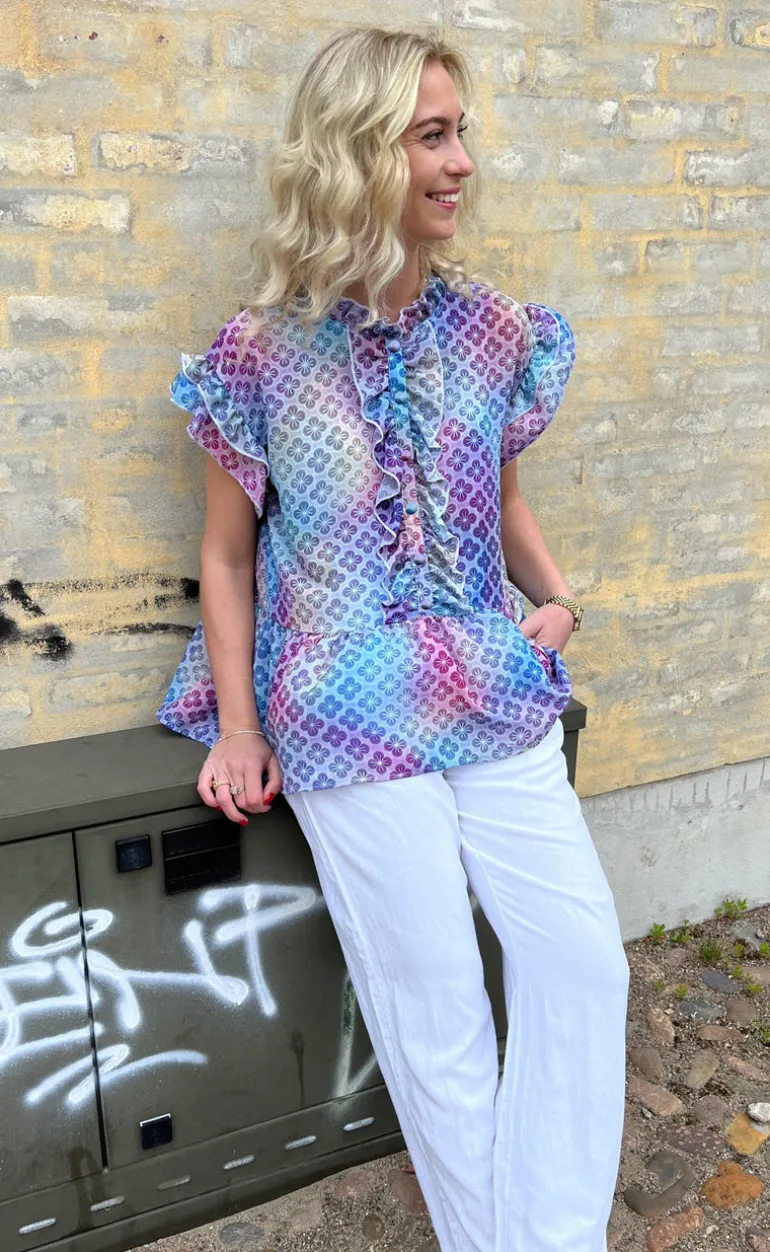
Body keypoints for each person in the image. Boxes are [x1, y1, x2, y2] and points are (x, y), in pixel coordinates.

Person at [156, 25, 629, 1252]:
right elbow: (225, 557)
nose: (461, 161)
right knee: (436, 1009)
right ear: (357, 154)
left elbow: (504, 501)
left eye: (459, 131)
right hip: (342, 705)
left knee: (584, 961)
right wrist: (239, 727)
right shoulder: (258, 350)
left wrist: (559, 600)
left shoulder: (497, 331)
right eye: (431, 135)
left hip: (487, 679)